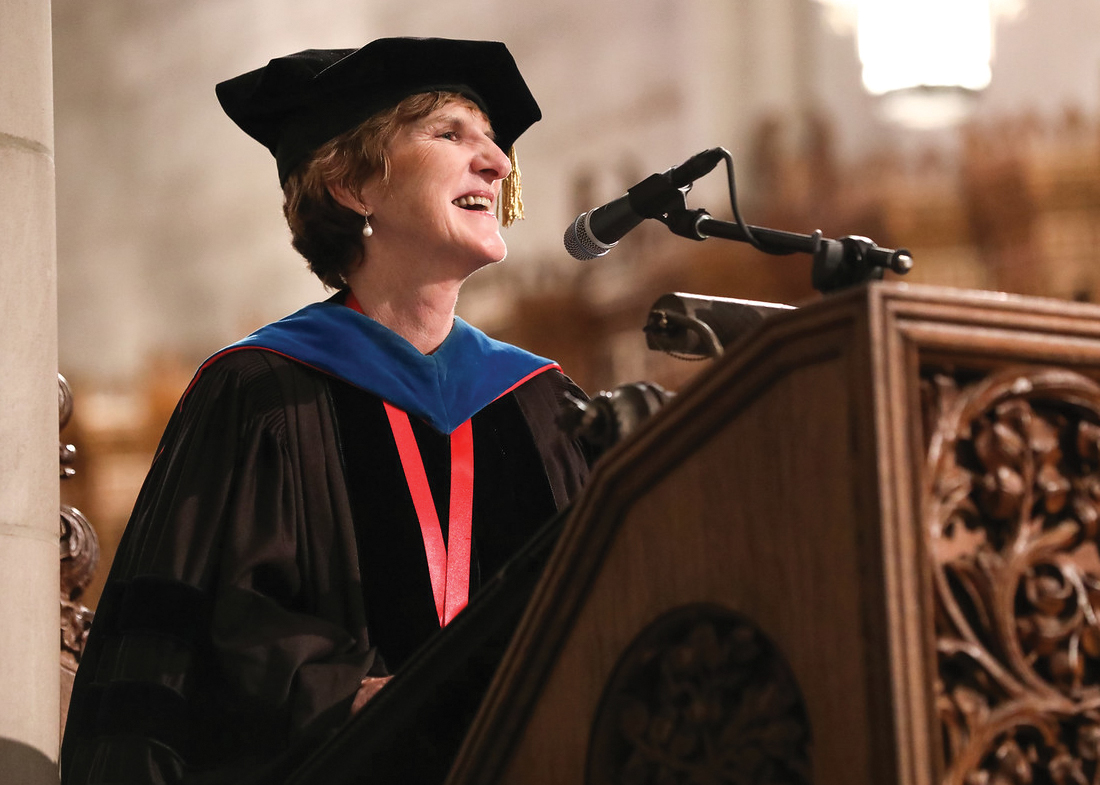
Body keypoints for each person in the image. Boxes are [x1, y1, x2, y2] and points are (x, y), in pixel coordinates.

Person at [61, 37, 591, 784]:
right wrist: (349, 696)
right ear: (352, 185)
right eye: (450, 133)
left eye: (493, 141)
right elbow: (184, 651)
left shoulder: (541, 404)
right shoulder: (260, 392)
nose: (498, 161)